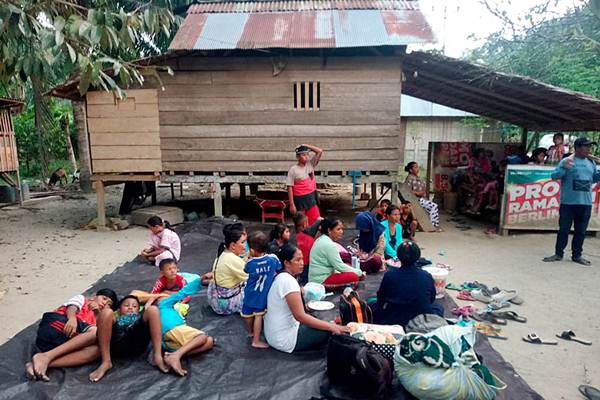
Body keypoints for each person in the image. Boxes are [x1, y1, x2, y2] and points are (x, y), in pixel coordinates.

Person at [264, 244, 350, 353]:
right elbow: (300, 316)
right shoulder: (288, 282)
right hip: (285, 340)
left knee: (323, 323)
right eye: (298, 260)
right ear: (286, 263)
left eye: (302, 259)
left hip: (274, 336)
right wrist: (331, 326)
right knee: (328, 330)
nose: (302, 263)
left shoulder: (281, 277)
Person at [24, 288, 118, 381]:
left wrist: (98, 314)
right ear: (94, 297)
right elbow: (72, 307)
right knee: (94, 333)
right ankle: (46, 357)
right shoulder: (83, 300)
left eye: (109, 304)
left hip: (59, 344)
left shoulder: (98, 320)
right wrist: (72, 318)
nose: (105, 303)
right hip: (56, 324)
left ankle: (41, 362)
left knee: (97, 350)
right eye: (104, 299)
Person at [543, 138, 600, 266]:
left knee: (581, 231)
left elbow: (594, 179)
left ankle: (577, 255)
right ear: (578, 148)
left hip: (585, 203)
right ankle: (558, 253)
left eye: (590, 147)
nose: (589, 150)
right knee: (564, 229)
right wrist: (564, 168)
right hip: (568, 203)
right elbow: (554, 176)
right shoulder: (567, 161)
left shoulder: (591, 163)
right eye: (586, 147)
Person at [88, 295, 168, 382]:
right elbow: (101, 323)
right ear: (119, 310)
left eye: (134, 306)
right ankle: (106, 362)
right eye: (126, 305)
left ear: (138, 310)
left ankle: (157, 356)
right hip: (116, 342)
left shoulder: (140, 317)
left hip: (137, 339)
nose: (130, 308)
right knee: (106, 312)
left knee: (153, 309)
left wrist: (151, 301)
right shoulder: (116, 318)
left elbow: (153, 305)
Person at [372, 241, 443, 327]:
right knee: (439, 308)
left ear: (398, 256)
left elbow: (381, 299)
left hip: (393, 319)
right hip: (421, 320)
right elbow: (431, 299)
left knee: (372, 304)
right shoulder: (426, 276)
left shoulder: (390, 275)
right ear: (418, 257)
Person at [159, 276, 214, 376]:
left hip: (168, 341)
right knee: (202, 337)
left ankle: (173, 355)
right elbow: (182, 293)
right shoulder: (163, 304)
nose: (169, 297)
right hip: (172, 328)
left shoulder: (173, 311)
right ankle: (176, 356)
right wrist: (200, 280)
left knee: (209, 341)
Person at [241, 231, 282, 349]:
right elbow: (278, 268)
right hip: (262, 294)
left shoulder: (250, 263)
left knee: (248, 314)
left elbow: (245, 270)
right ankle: (256, 339)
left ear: (252, 250)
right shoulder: (273, 259)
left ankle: (251, 333)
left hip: (250, 292)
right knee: (258, 315)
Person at [308, 218, 364, 291]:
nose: (341, 232)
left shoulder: (322, 239)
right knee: (353, 276)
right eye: (338, 229)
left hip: (319, 277)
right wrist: (359, 273)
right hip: (320, 281)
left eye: (341, 229)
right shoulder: (329, 244)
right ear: (329, 230)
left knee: (348, 266)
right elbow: (339, 266)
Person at [207, 224, 248, 315]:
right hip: (222, 303)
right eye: (243, 242)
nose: (245, 246)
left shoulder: (224, 253)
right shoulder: (232, 259)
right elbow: (251, 277)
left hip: (214, 296)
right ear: (233, 246)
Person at [287, 144, 323, 225]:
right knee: (302, 223)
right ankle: (303, 237)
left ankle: (313, 237)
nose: (306, 157)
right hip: (300, 200)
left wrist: (305, 145)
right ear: (297, 157)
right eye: (303, 155)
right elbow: (289, 187)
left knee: (316, 221)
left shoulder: (311, 164)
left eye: (307, 154)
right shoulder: (293, 170)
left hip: (311, 197)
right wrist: (292, 204)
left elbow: (319, 151)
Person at [404, 161, 440, 228]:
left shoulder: (418, 177)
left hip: (422, 199)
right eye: (416, 167)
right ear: (410, 170)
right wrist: (418, 193)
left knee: (430, 209)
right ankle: (433, 225)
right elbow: (407, 191)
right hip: (416, 200)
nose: (418, 168)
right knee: (434, 206)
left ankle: (432, 224)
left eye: (418, 167)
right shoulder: (410, 178)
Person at [292, 212, 321, 285]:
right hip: (306, 263)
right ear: (305, 224)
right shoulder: (307, 235)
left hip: (297, 263)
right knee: (305, 281)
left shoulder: (294, 236)